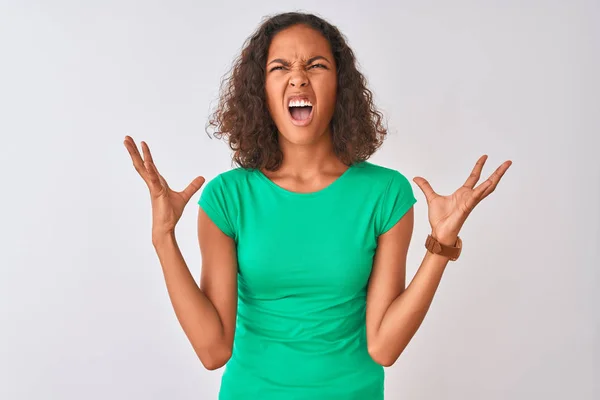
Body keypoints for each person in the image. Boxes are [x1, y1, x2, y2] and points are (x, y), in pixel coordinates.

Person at [123, 11, 511, 400]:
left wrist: (441, 244)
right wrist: (163, 237)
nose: (298, 76)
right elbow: (212, 351)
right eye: (280, 67)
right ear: (261, 91)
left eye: (316, 64)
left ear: (339, 85)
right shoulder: (227, 197)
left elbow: (384, 348)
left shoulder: (386, 194)